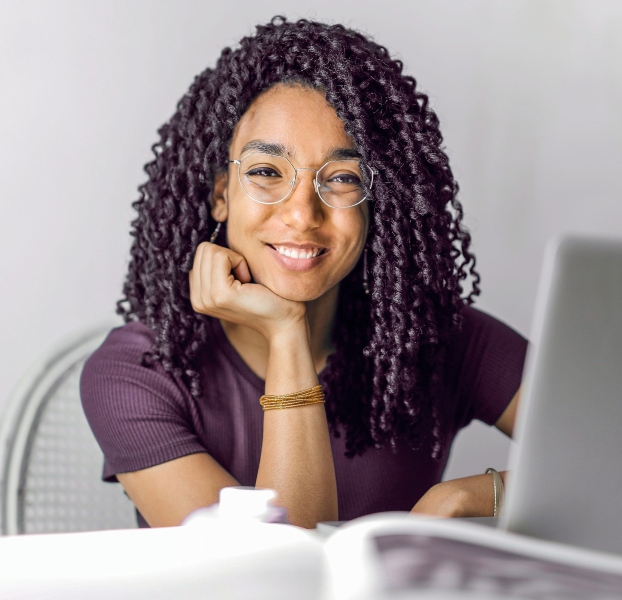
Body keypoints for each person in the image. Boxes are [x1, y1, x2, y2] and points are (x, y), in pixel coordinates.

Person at [81, 16, 527, 529]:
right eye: (267, 172)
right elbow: (272, 576)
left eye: (341, 178)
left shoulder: (440, 339)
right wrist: (286, 332)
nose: (301, 214)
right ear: (220, 194)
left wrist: (468, 497)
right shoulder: (137, 372)